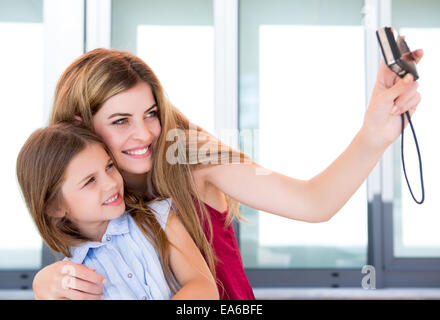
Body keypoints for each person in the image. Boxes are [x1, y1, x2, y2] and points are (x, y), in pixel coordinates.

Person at [32, 47, 423, 300]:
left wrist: (375, 133)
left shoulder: (191, 154)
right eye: (120, 120)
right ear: (80, 125)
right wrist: (44, 283)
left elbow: (313, 202)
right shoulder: (88, 197)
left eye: (151, 113)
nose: (144, 133)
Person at [16, 122, 219, 300]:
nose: (111, 183)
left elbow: (204, 288)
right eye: (90, 181)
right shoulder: (70, 280)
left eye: (109, 166)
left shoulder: (159, 219)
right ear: (54, 207)